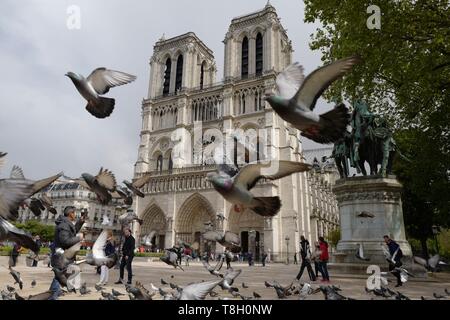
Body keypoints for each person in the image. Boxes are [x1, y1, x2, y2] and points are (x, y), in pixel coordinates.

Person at [49, 206, 86, 300]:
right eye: (74, 213)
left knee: (60, 276)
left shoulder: (65, 224)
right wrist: (79, 238)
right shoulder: (64, 225)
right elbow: (65, 241)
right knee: (61, 276)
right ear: (70, 214)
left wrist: (80, 222)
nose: (75, 215)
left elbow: (71, 232)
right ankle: (52, 296)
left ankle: (52, 293)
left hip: (62, 256)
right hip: (61, 257)